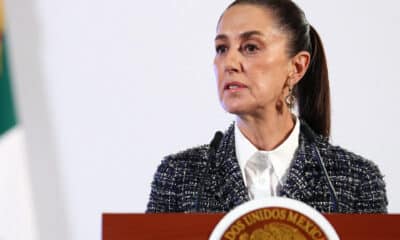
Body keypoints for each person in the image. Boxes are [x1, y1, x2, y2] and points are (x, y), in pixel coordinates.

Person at [146, 0, 388, 213]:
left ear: (297, 67)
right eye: (222, 48)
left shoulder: (356, 180)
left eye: (250, 47)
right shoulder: (178, 176)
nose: (229, 63)